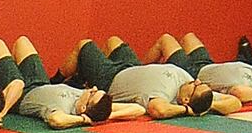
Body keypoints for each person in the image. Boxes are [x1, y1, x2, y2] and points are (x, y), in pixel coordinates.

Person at [59, 38, 238, 119]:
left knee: (85, 45)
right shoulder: (194, 88)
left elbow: (157, 110)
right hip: (133, 67)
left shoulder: (164, 98)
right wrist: (206, 106)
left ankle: (56, 80)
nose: (197, 81)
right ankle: (83, 79)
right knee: (113, 41)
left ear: (185, 100)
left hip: (111, 77)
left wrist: (187, 110)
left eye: (195, 87)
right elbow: (234, 103)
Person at [0, 36, 140, 129]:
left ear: (84, 107)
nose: (93, 88)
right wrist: (104, 116)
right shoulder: (92, 103)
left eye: (93, 93)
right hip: (41, 82)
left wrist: (83, 119)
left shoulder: (63, 110)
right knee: (22, 42)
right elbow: (138, 109)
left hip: (21, 95)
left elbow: (56, 120)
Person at [148, 34, 252, 106]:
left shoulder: (247, 88)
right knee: (188, 37)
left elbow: (238, 92)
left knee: (165, 40)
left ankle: (137, 70)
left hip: (192, 72)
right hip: (206, 64)